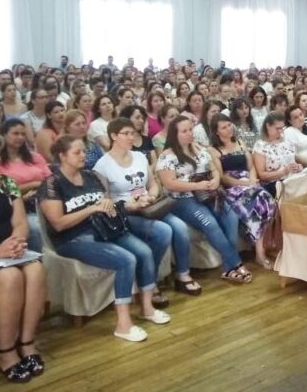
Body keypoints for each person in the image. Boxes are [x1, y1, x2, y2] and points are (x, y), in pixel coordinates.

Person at [40, 135, 171, 343]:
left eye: (83, 150)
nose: (83, 155)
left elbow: (105, 201)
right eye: (77, 152)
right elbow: (58, 223)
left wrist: (112, 204)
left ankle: (147, 307)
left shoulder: (90, 176)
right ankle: (123, 323)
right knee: (126, 260)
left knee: (144, 252)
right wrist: (91, 209)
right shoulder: (52, 184)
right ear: (62, 156)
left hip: (102, 228)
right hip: (72, 238)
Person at [94, 118, 198, 301]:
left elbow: (152, 184)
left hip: (149, 205)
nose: (130, 137)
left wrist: (150, 195)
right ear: (113, 136)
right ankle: (149, 282)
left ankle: (182, 274)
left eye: (132, 133)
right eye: (125, 134)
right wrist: (130, 204)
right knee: (163, 231)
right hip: (125, 212)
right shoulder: (102, 165)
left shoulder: (140, 157)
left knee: (180, 227)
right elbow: (106, 201)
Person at [0, 132, 46, 383]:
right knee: (9, 278)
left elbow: (20, 223)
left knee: (35, 269)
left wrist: (16, 243)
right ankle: (6, 352)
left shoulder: (6, 183)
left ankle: (26, 342)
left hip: (6, 253)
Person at [156, 116, 251, 284]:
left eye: (190, 129)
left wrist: (215, 180)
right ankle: (235, 263)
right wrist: (197, 185)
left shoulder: (199, 148)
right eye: (184, 131)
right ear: (174, 134)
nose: (189, 133)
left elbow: (213, 169)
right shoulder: (167, 156)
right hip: (183, 199)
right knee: (210, 223)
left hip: (208, 193)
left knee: (230, 216)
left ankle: (228, 268)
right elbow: (169, 184)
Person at [208, 114, 277, 270]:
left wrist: (252, 180)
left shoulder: (240, 143)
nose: (229, 128)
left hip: (249, 182)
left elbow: (251, 167)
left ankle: (264, 247)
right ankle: (260, 253)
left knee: (266, 198)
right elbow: (223, 178)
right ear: (217, 132)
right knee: (255, 201)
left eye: (229, 125)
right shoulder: (213, 150)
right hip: (232, 188)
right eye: (224, 127)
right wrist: (245, 183)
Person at [0, 119, 51, 252]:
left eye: (23, 134)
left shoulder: (35, 157)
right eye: (15, 133)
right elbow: (1, 191)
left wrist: (38, 187)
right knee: (35, 227)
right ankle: (39, 260)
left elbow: (50, 180)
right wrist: (33, 184)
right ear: (4, 135)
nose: (20, 137)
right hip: (18, 207)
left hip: (45, 200)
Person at [252, 112, 303, 197]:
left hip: (293, 178)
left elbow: (295, 161)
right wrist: (283, 172)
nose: (280, 131)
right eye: (277, 128)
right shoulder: (260, 146)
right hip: (275, 184)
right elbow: (262, 175)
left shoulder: (286, 142)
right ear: (268, 126)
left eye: (282, 128)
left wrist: (298, 167)